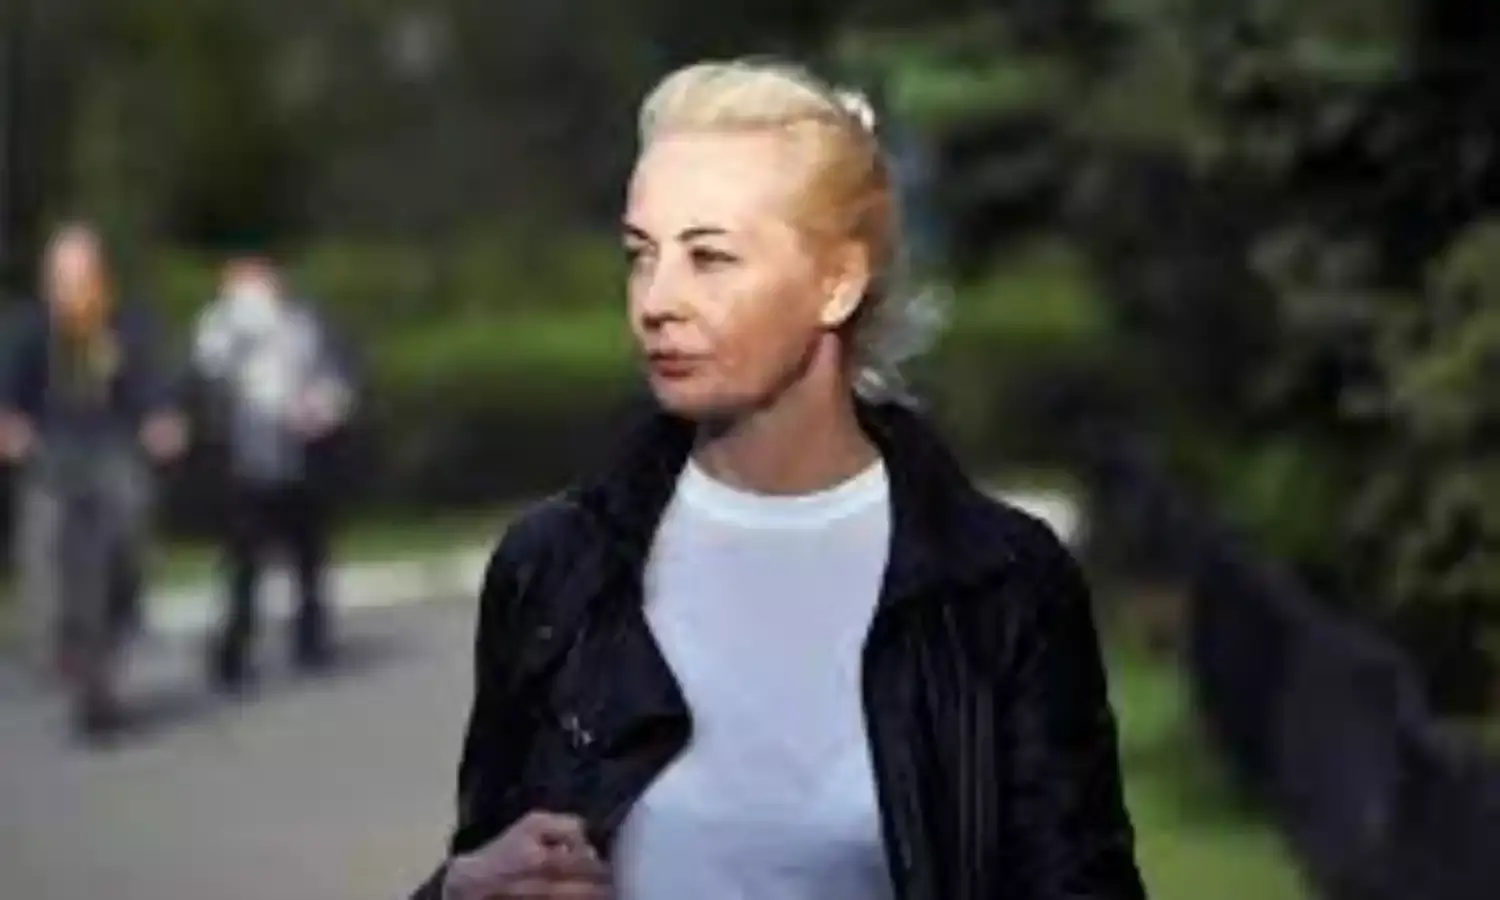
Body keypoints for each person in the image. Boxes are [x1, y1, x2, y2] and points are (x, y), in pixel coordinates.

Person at [413, 59, 1145, 900]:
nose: (657, 300)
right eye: (641, 256)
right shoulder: (556, 568)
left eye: (709, 257)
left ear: (838, 283)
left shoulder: (998, 584)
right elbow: (490, 856)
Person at [0, 222, 187, 739]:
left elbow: (153, 379)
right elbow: (8, 386)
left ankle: (105, 663)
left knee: (127, 542)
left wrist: (162, 418)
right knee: (45, 555)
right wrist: (9, 423)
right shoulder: (28, 327)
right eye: (62, 277)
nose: (72, 287)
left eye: (82, 276)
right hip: (51, 453)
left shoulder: (129, 323)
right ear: (48, 280)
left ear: (101, 276)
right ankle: (66, 656)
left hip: (113, 448)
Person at [190, 255, 357, 689]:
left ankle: (311, 640)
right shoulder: (218, 329)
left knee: (309, 556)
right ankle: (232, 652)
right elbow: (208, 380)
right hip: (246, 464)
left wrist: (324, 406)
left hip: (301, 458)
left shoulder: (303, 323)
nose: (258, 289)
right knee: (243, 563)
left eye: (263, 280)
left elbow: (336, 375)